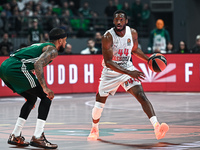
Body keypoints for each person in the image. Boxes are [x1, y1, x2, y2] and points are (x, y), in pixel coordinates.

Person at [87, 10, 169, 141]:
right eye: (116, 20)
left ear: (126, 21)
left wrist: (148, 60)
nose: (118, 22)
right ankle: (94, 128)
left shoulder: (133, 33)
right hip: (111, 71)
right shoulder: (108, 36)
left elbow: (135, 49)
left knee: (141, 95)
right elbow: (108, 62)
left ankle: (157, 127)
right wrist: (130, 72)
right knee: (99, 103)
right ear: (113, 21)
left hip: (126, 67)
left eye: (121, 19)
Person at [0, 27, 67, 149]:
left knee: (31, 99)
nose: (66, 43)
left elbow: (30, 61)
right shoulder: (52, 50)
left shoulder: (41, 45)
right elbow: (38, 64)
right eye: (65, 40)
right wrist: (45, 88)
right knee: (46, 97)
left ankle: (15, 135)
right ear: (60, 40)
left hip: (5, 67)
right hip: (16, 68)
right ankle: (38, 137)